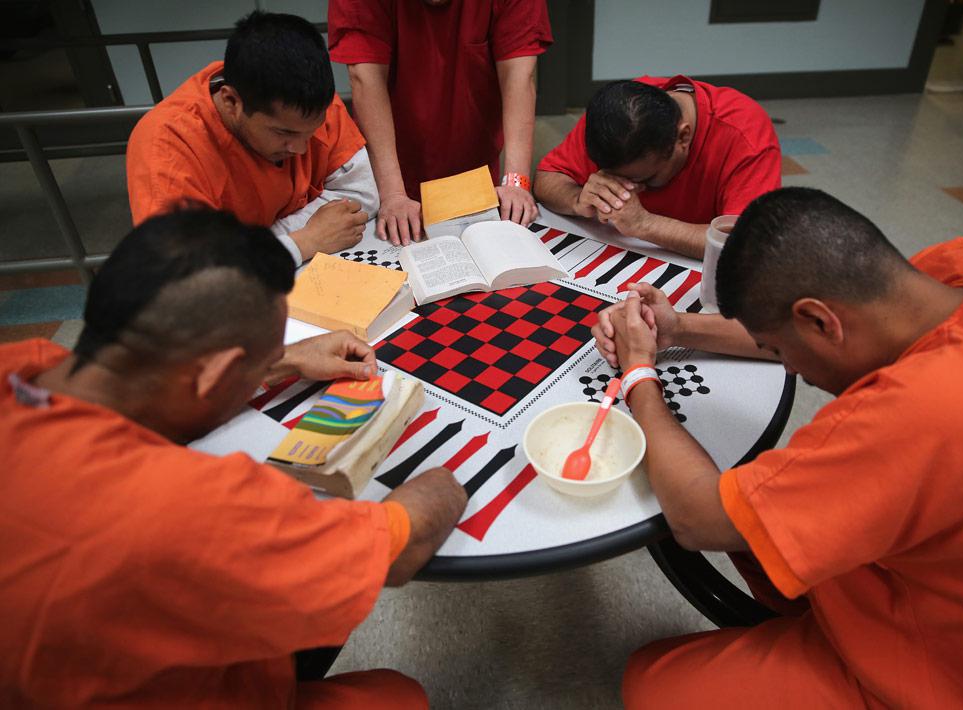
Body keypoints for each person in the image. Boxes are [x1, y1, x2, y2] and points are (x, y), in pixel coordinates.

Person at [593, 187, 963, 707]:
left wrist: (639, 374)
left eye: (778, 351)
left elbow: (696, 519)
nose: (788, 367)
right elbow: (811, 329)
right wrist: (680, 328)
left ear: (821, 321)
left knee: (652, 682)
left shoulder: (907, 421)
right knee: (759, 532)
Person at [0, 209, 468, 707]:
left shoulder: (26, 362)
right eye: (259, 365)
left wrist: (280, 360)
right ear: (214, 374)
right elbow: (400, 545)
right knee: (398, 697)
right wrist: (445, 480)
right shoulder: (195, 504)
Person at [127, 11, 379, 266]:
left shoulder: (308, 104)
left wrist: (251, 243)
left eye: (311, 132)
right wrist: (304, 240)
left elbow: (363, 195)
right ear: (230, 101)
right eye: (283, 133)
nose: (301, 148)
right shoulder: (168, 146)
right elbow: (187, 273)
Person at [329, 0, 552, 245]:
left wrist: (516, 182)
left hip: (475, 163)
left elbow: (519, 76)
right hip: (390, 169)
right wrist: (393, 194)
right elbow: (365, 78)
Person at [536, 77, 780, 259]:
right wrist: (577, 199)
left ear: (682, 138)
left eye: (646, 178)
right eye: (612, 178)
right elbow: (547, 178)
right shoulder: (615, 117)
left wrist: (645, 224)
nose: (628, 190)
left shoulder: (745, 136)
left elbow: (746, 247)